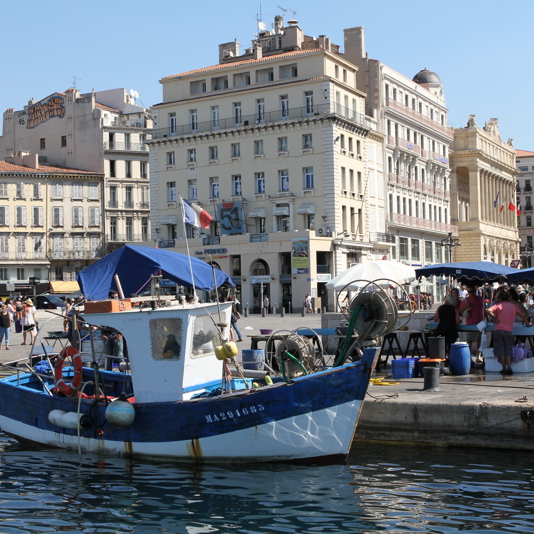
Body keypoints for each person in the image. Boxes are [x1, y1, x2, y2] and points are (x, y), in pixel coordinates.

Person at [486, 290, 532, 375]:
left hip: (498, 330)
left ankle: (504, 368)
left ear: (500, 299)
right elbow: (523, 317)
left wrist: (495, 319)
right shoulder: (513, 307)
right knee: (508, 349)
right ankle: (509, 367)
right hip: (508, 331)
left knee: (501, 350)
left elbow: (488, 310)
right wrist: (527, 325)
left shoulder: (498, 306)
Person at [459, 286, 484, 360]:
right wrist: (466, 306)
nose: (471, 293)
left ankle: (478, 356)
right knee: (469, 341)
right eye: (469, 292)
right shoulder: (466, 300)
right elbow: (459, 311)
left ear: (475, 291)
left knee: (479, 340)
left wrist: (486, 318)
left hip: (480, 322)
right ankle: (468, 356)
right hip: (470, 323)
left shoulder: (480, 299)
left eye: (472, 291)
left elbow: (484, 309)